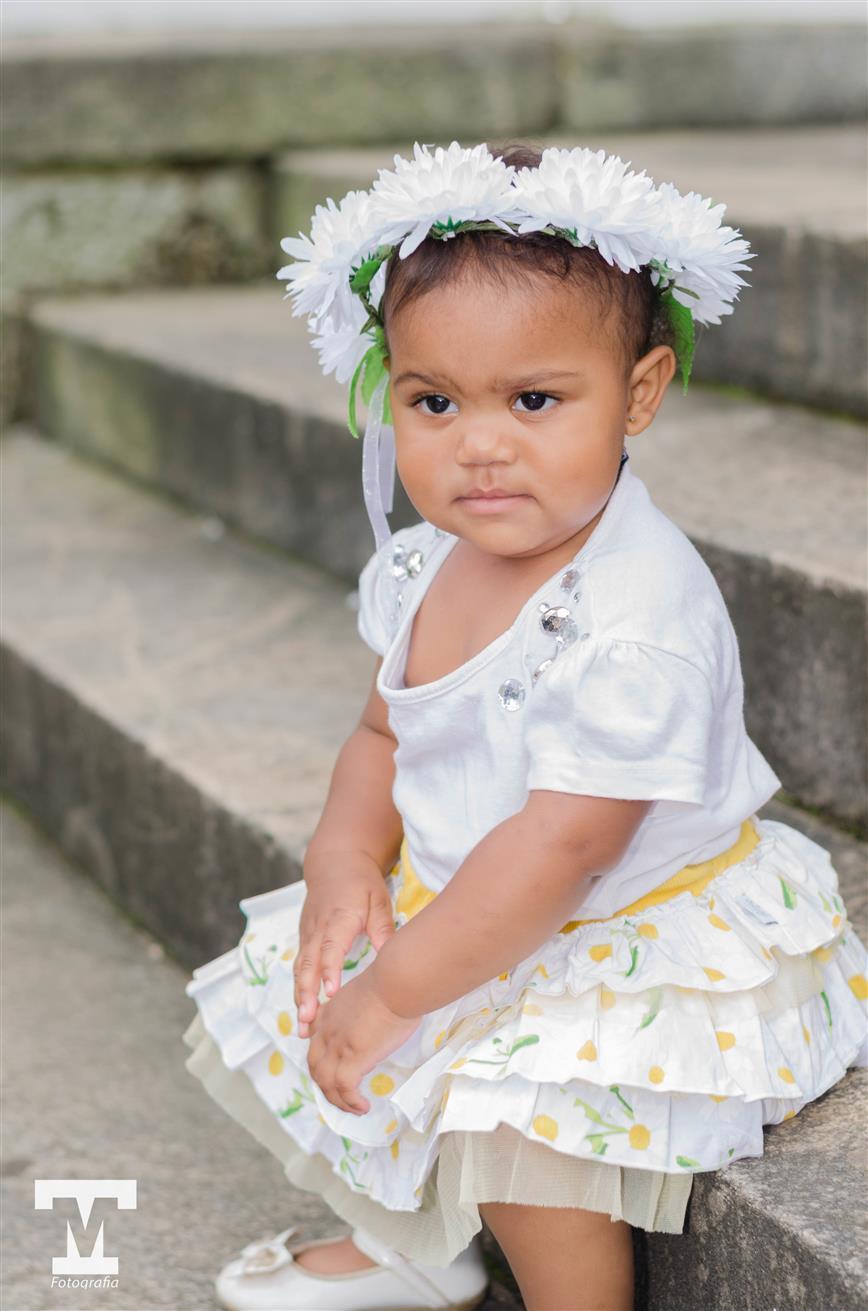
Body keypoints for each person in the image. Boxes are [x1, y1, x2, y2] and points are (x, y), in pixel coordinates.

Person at [182, 141, 868, 1311]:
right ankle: (419, 1236)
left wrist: (399, 989)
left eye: (534, 400)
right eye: (433, 402)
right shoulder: (428, 565)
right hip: (475, 895)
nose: (478, 444)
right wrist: (346, 856)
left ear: (638, 394)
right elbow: (383, 735)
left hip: (624, 926)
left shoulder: (631, 621)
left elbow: (565, 845)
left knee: (529, 1122)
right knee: (315, 982)